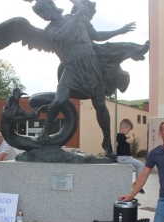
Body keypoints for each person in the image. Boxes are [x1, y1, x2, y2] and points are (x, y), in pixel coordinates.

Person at [30, 0, 149, 160]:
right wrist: (78, 13)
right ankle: (45, 131)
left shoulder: (75, 18)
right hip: (71, 68)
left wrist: (120, 30)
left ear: (51, 6)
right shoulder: (50, 30)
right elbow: (62, 35)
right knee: (58, 100)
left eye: (44, 10)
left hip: (91, 65)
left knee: (100, 106)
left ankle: (107, 143)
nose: (43, 16)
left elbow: (98, 36)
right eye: (40, 14)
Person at [116, 118, 145, 194]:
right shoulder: (120, 136)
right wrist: (131, 137)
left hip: (127, 158)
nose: (129, 131)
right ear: (123, 128)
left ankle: (137, 185)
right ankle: (138, 185)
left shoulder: (123, 137)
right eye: (128, 130)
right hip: (123, 158)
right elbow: (130, 141)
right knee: (140, 165)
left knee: (139, 164)